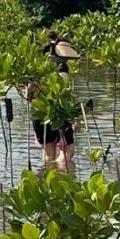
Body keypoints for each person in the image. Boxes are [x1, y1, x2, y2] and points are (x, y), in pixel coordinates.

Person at [29, 30, 81, 174]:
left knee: (47, 154)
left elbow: (29, 93)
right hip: (57, 113)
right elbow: (63, 93)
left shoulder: (38, 65)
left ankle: (47, 182)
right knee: (67, 150)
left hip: (38, 113)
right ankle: (63, 179)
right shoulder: (62, 66)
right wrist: (73, 118)